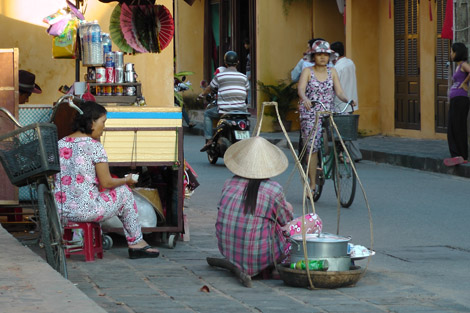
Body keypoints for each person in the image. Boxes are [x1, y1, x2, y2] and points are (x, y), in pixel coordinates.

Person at [53, 101, 160, 259]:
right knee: (123, 193)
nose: (104, 128)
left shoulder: (59, 144)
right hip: (85, 212)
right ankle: (136, 242)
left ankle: (79, 239)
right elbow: (107, 183)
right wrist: (127, 180)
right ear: (91, 122)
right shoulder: (95, 147)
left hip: (60, 211)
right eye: (103, 122)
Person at [216, 136, 323, 278]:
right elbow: (286, 221)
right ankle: (280, 264)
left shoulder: (228, 183)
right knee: (314, 220)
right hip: (258, 258)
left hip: (230, 253)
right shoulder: (273, 189)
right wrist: (288, 208)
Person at [297, 40, 354, 193]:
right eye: (319, 55)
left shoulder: (332, 71)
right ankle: (313, 183)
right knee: (313, 147)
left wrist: (347, 100)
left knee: (340, 134)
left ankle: (339, 155)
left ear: (329, 57)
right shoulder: (307, 71)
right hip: (311, 112)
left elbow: (339, 92)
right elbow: (301, 89)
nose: (322, 57)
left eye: (325, 55)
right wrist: (306, 99)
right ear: (313, 57)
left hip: (328, 110)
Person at [199, 51, 249, 152]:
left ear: (225, 63)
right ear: (237, 62)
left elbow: (210, 87)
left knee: (207, 114)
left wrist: (202, 94)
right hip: (242, 111)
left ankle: (209, 140)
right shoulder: (244, 77)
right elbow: (246, 92)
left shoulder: (220, 76)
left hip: (225, 110)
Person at [330, 41, 362, 162]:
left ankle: (345, 155)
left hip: (340, 102)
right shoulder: (350, 63)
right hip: (350, 100)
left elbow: (334, 86)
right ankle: (355, 154)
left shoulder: (337, 68)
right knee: (350, 131)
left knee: (342, 132)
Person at [444, 42, 470, 166]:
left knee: (458, 128)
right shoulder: (458, 66)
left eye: (452, 51)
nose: (451, 54)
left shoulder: (464, 65)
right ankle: (458, 155)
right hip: (456, 100)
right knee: (453, 128)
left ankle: (461, 155)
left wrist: (464, 83)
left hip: (461, 100)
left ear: (457, 52)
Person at [243, 38, 252, 106]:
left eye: (246, 44)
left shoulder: (251, 53)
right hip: (248, 71)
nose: (245, 45)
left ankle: (249, 102)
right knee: (247, 87)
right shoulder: (249, 53)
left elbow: (253, 64)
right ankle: (248, 101)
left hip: (249, 72)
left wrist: (251, 74)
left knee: (249, 87)